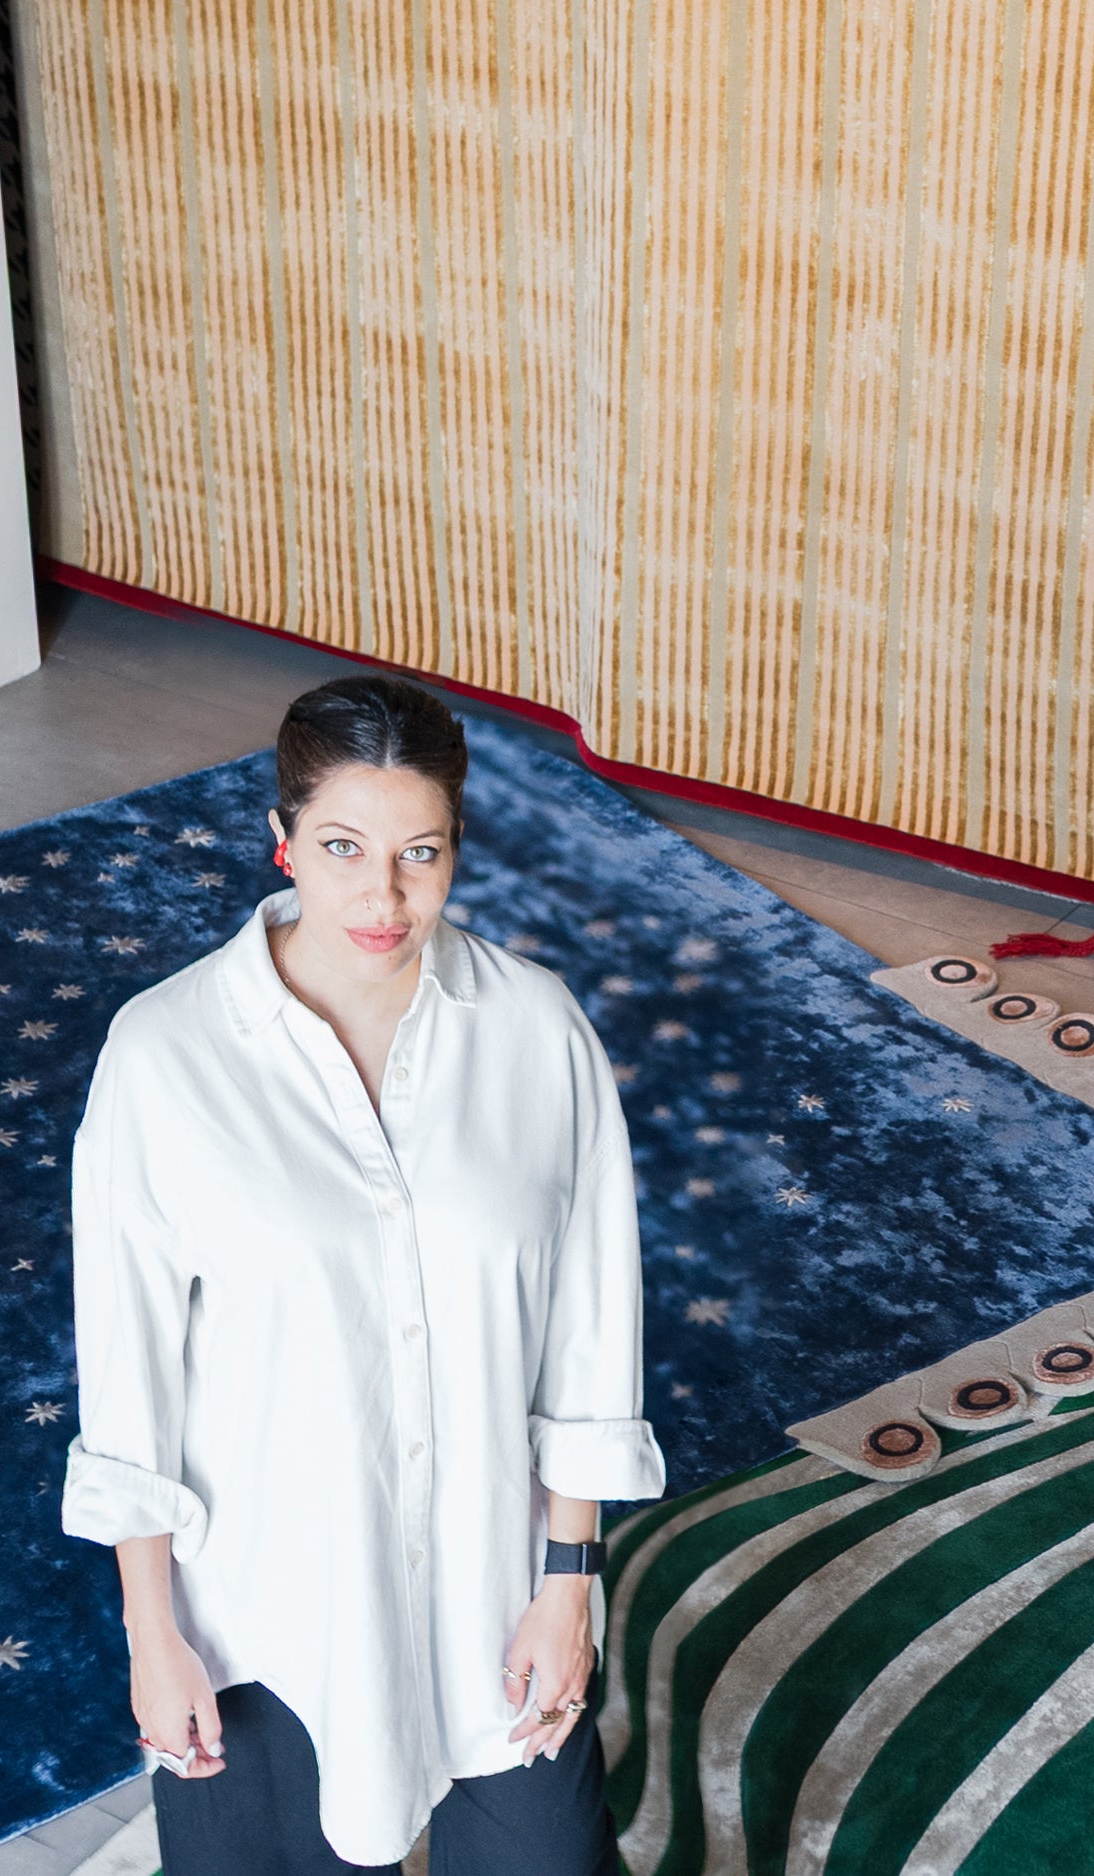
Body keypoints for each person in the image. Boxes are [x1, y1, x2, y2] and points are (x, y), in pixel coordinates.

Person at [62, 676, 660, 1875]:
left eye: (417, 853)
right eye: (342, 848)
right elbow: (130, 1378)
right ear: (281, 841)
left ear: (455, 848)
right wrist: (152, 1634)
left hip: (496, 1593)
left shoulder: (537, 1032)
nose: (382, 898)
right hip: (267, 1616)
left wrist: (566, 1586)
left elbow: (592, 1334)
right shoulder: (165, 1053)